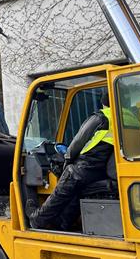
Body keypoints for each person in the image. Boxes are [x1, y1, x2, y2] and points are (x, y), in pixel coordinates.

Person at [29, 92, 115, 231]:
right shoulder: (127, 118)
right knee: (76, 192)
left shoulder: (102, 117)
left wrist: (67, 160)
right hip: (103, 171)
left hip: (86, 167)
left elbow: (77, 142)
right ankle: (63, 224)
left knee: (61, 192)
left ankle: (37, 219)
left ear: (104, 103)